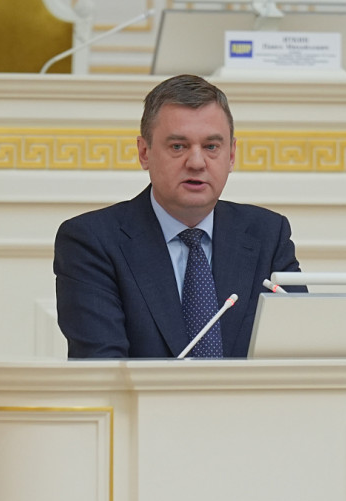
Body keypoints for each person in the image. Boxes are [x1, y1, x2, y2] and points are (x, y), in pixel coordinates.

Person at [53, 74, 304, 359]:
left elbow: (300, 347)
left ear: (232, 155)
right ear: (144, 152)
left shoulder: (267, 235)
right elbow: (102, 367)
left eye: (211, 147)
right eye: (178, 147)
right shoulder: (91, 241)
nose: (196, 163)